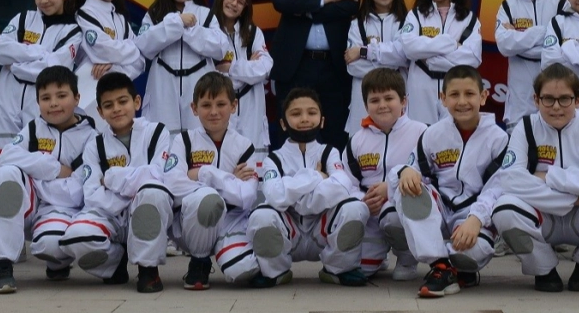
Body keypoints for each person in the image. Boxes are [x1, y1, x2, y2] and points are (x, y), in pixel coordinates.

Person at [489, 64, 579, 292]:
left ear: (578, 100)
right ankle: (544, 269)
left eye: (565, 99)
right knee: (504, 210)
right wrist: (573, 197)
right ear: (536, 100)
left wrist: (549, 176)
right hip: (544, 216)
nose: (556, 107)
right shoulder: (525, 128)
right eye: (548, 99)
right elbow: (510, 179)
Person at [0, 66, 111, 294]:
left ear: (77, 98)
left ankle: (58, 263)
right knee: (6, 174)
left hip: (63, 210)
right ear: (37, 102)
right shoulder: (33, 128)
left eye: (61, 96)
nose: (53, 104)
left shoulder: (92, 138)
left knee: (50, 245)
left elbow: (77, 191)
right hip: (30, 205)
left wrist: (37, 178)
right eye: (45, 98)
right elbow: (7, 155)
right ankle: (1, 264)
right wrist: (53, 168)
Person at [393, 65, 509, 298]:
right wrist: (406, 170)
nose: (462, 101)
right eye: (454, 95)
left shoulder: (499, 139)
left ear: (483, 96)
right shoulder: (432, 134)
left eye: (469, 94)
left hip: (471, 216)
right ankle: (441, 266)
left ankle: (459, 268)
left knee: (473, 252)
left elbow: (498, 188)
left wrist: (476, 219)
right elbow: (414, 168)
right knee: (407, 189)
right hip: (439, 209)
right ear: (443, 98)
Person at [246, 89, 369, 288]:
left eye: (311, 113)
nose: (304, 119)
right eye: (296, 114)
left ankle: (338, 269)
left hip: (322, 232)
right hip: (289, 233)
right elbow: (275, 196)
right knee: (261, 216)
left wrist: (298, 198)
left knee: (356, 208)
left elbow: (341, 186)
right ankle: (275, 271)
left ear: (322, 120)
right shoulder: (273, 159)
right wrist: (317, 176)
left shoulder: (329, 152)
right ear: (283, 123)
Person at [76, 71, 183, 293]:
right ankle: (115, 261)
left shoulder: (157, 133)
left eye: (122, 101)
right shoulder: (94, 145)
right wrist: (130, 196)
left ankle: (148, 268)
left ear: (137, 101)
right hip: (113, 218)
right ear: (100, 112)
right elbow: (92, 194)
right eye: (108, 105)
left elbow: (158, 175)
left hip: (147, 212)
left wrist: (111, 178)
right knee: (76, 237)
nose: (116, 109)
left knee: (153, 193)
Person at [270, 0, 362, 147]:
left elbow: (350, 6)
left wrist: (300, 5)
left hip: (335, 65)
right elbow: (281, 2)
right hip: (295, 65)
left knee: (335, 134)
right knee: (292, 133)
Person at [168, 71, 261, 289]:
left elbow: (246, 197)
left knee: (242, 270)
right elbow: (173, 185)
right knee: (207, 199)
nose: (213, 112)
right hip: (191, 225)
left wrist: (202, 173)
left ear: (233, 105)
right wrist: (230, 179)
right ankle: (199, 262)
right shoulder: (184, 141)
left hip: (231, 223)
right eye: (206, 105)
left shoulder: (244, 146)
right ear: (194, 108)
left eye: (221, 104)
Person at [0, 0, 83, 165]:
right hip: (5, 101)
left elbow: (53, 70)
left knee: (35, 164)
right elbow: (1, 51)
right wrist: (40, 53)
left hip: (38, 103)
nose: (43, 0)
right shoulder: (23, 18)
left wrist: (15, 65)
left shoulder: (73, 30)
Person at [346, 67, 427, 280]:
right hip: (370, 212)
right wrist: (363, 200)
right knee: (362, 271)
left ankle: (407, 258)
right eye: (374, 100)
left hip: (401, 210)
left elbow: (430, 178)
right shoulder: (356, 140)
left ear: (404, 101)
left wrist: (390, 190)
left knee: (391, 215)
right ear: (365, 106)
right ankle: (378, 254)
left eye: (389, 98)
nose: (382, 105)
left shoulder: (422, 133)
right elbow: (348, 182)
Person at [136, 0, 227, 135]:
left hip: (198, 84)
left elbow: (220, 48)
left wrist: (190, 30)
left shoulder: (205, 14)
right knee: (162, 136)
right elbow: (144, 45)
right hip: (163, 86)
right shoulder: (155, 13)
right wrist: (175, 22)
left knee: (199, 136)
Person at [398, 0, 482, 126]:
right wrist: (452, 44)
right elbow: (409, 48)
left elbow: (472, 58)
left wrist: (429, 59)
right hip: (420, 91)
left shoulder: (469, 19)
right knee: (421, 137)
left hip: (455, 92)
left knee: (452, 138)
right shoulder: (415, 15)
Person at [494, 0, 562, 123]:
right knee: (521, 140)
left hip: (556, 96)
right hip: (520, 100)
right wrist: (545, 32)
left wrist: (518, 39)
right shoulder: (508, 5)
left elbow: (565, 46)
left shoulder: (561, 3)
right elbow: (504, 45)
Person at [73, 0, 146, 116]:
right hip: (88, 94)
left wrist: (113, 67)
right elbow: (104, 50)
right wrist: (132, 49)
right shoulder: (85, 13)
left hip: (119, 95)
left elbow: (140, 62)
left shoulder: (120, 18)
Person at [344, 0, 410, 140]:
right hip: (363, 99)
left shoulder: (408, 21)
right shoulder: (357, 23)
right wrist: (392, 62)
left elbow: (405, 56)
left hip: (399, 97)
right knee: (364, 149)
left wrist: (363, 52)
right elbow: (353, 66)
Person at [212, 0, 273, 148]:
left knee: (252, 161)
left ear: (245, 8)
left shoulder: (253, 32)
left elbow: (264, 69)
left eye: (240, 2)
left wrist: (231, 68)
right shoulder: (208, 32)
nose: (234, 4)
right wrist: (248, 70)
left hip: (251, 110)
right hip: (220, 109)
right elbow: (211, 77)